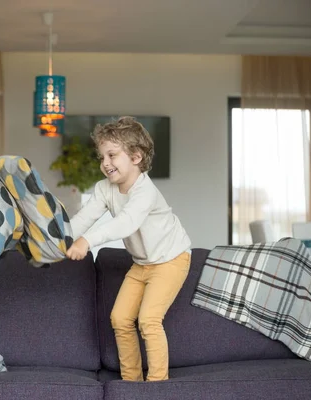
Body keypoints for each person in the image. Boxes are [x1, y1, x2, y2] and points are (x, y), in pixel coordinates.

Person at [66, 116, 191, 382]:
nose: (105, 163)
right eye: (102, 157)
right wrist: (60, 238)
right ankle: (132, 384)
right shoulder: (104, 189)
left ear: (136, 156)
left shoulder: (145, 191)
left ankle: (157, 386)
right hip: (143, 264)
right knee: (120, 318)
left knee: (148, 320)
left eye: (112, 155)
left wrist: (87, 241)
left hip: (171, 260)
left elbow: (125, 223)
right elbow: (83, 219)